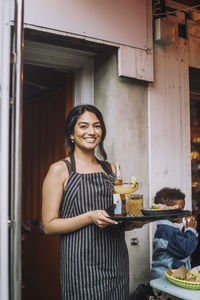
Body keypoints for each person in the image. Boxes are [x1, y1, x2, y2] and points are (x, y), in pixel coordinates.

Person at [42, 104, 141, 300]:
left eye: (97, 126)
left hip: (116, 261)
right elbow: (49, 225)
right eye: (83, 126)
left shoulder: (112, 169)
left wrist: (136, 221)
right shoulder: (60, 169)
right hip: (81, 266)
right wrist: (89, 217)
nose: (91, 132)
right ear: (72, 133)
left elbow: (117, 217)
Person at [150, 187, 198, 280]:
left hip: (170, 278)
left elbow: (177, 245)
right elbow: (185, 250)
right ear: (164, 209)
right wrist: (191, 230)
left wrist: (185, 232)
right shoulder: (167, 230)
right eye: (179, 209)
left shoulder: (167, 229)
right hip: (164, 280)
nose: (183, 212)